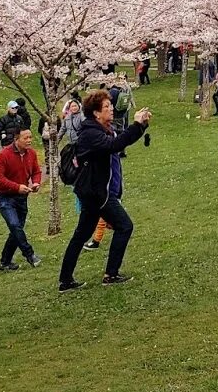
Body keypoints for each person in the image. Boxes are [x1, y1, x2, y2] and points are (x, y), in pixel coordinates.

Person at [58, 91, 151, 290]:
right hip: (97, 193)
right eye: (106, 107)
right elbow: (113, 146)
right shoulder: (90, 133)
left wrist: (141, 126)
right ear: (96, 113)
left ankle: (66, 280)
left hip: (95, 192)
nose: (110, 109)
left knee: (81, 235)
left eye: (110, 105)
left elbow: (120, 142)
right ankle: (111, 274)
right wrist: (135, 126)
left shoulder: (102, 129)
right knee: (124, 226)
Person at [0, 128, 43, 271]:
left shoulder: (31, 153)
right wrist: (16, 187)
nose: (29, 140)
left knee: (17, 229)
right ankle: (30, 254)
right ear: (16, 139)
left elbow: (36, 171)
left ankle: (5, 262)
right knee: (15, 225)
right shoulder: (4, 155)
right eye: (25, 138)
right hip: (4, 197)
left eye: (30, 137)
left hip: (22, 197)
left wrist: (36, 182)